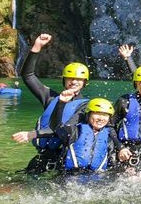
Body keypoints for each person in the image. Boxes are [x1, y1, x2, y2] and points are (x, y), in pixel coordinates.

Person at [19, 32, 90, 172]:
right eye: (70, 78)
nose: (74, 82)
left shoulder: (86, 106)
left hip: (65, 158)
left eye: (78, 79)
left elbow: (65, 131)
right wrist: (37, 46)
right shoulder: (50, 97)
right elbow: (27, 76)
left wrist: (34, 134)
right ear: (64, 80)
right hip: (43, 157)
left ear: (84, 83)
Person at [14, 98, 121, 173]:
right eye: (97, 113)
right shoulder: (74, 131)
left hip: (96, 178)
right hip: (70, 177)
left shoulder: (109, 137)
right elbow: (56, 126)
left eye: (105, 115)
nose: (101, 118)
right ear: (88, 115)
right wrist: (61, 103)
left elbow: (112, 163)